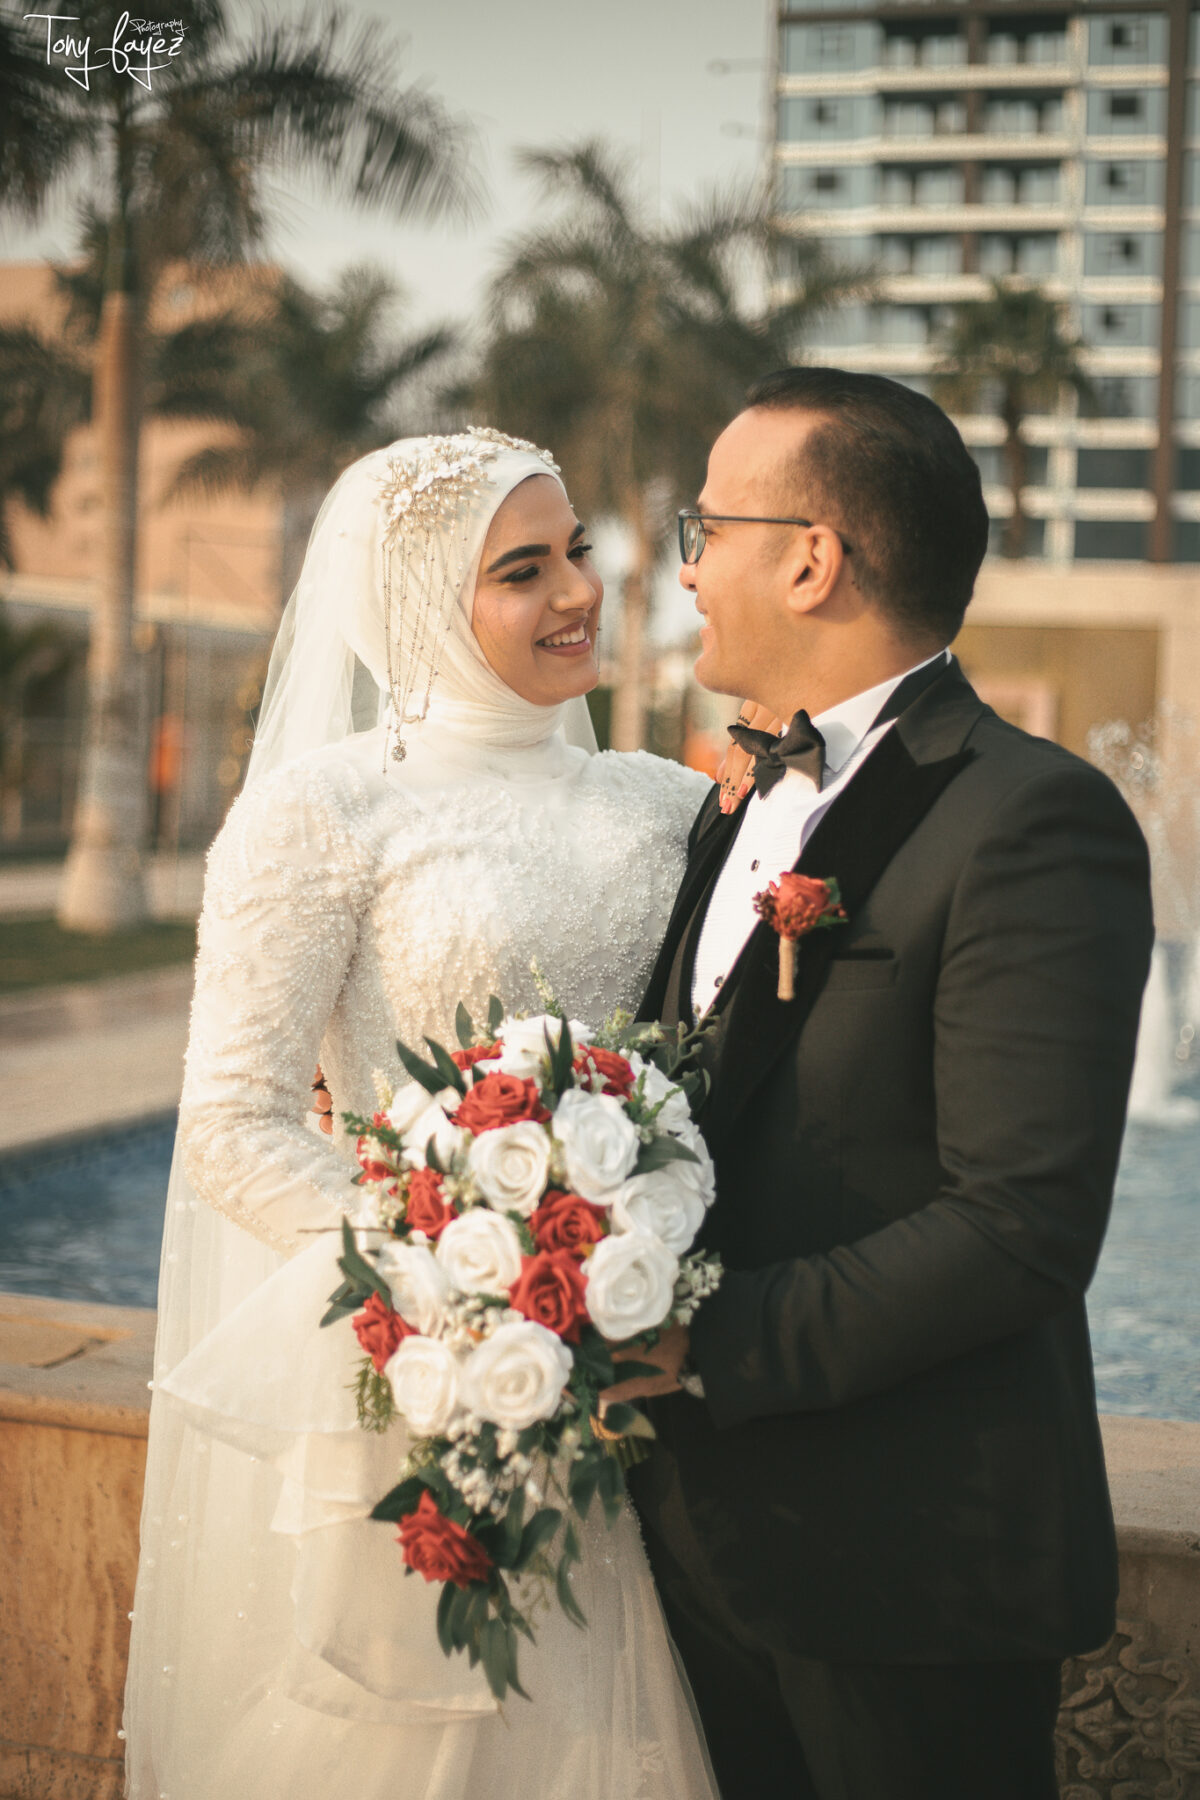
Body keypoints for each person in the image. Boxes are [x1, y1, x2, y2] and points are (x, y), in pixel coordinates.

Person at [122, 430, 719, 1800]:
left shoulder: (673, 804)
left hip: (654, 1366)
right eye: (524, 569)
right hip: (431, 1375)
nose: (581, 591)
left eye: (578, 551)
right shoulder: (320, 812)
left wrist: (621, 1270)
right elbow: (235, 1124)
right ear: (414, 605)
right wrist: (470, 1278)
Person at [616, 368, 1154, 1800]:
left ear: (812, 560)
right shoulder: (729, 803)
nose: (684, 569)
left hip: (911, 1571)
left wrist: (699, 1339)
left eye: (706, 529)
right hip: (698, 1545)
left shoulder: (1031, 816)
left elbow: (1020, 1225)